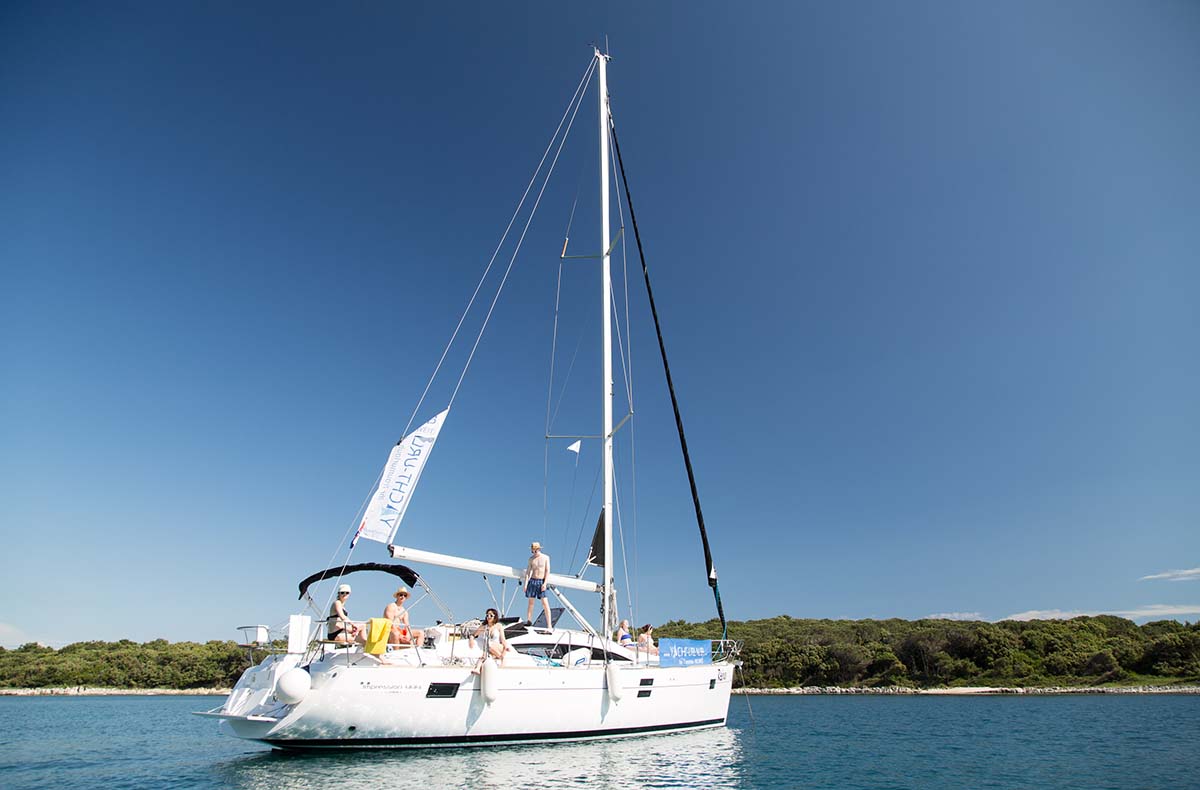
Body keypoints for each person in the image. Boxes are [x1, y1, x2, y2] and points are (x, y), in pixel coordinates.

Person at [522, 541, 552, 627]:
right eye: (533, 550)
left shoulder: (546, 557)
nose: (534, 551)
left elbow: (547, 571)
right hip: (532, 581)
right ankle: (529, 620)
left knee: (545, 603)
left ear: (539, 549)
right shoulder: (531, 559)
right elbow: (528, 572)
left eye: (536, 550)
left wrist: (545, 583)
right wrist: (525, 584)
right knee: (531, 603)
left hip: (541, 581)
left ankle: (549, 625)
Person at [471, 608, 508, 673]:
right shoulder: (484, 626)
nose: (489, 617)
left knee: (489, 645)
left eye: (491, 615)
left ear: (495, 617)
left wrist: (505, 648)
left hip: (498, 647)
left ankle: (502, 657)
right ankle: (477, 668)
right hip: (488, 648)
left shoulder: (499, 626)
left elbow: (503, 639)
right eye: (487, 615)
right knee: (484, 654)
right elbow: (474, 634)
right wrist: (471, 639)